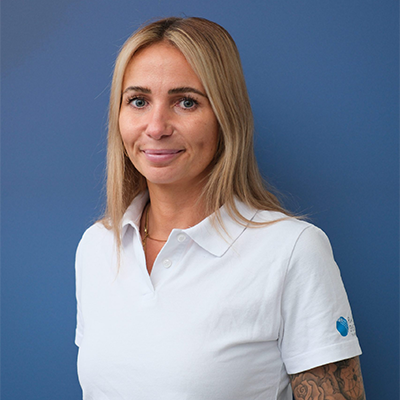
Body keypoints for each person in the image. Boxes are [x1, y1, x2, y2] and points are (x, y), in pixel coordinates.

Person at [75, 17, 365, 400]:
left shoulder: (292, 250)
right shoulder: (97, 246)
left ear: (225, 116)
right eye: (139, 101)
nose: (156, 127)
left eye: (186, 102)